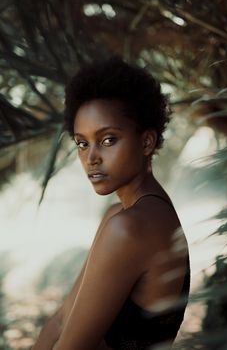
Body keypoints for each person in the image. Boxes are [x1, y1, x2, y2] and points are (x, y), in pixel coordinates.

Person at [32, 57, 190, 350]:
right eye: (82, 143)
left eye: (107, 140)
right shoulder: (125, 212)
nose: (91, 158)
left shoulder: (129, 227)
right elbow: (61, 319)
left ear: (146, 142)